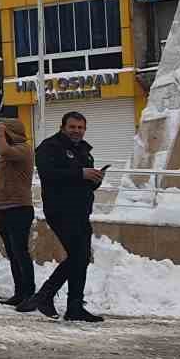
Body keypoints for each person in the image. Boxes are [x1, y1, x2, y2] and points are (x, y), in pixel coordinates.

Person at [18, 111, 106, 322]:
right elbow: (49, 174)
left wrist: (95, 179)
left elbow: (83, 181)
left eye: (80, 128)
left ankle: (72, 305)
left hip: (81, 210)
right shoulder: (50, 147)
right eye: (73, 127)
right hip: (61, 211)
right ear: (63, 127)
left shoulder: (84, 151)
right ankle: (46, 296)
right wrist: (80, 173)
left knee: (81, 257)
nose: (77, 131)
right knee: (78, 256)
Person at [0, 118, 36, 306]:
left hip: (19, 208)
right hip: (3, 208)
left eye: (4, 132)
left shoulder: (23, 149)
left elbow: (3, 150)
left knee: (20, 252)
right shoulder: (10, 153)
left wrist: (0, 132)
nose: (0, 136)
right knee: (12, 253)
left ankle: (29, 294)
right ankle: (19, 292)